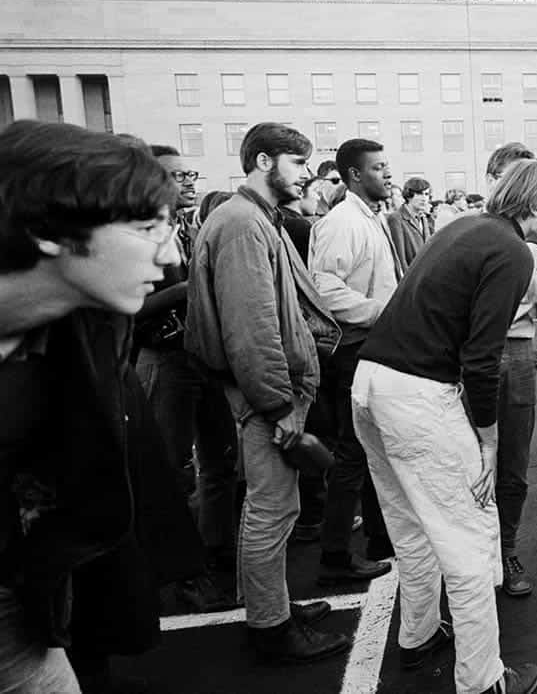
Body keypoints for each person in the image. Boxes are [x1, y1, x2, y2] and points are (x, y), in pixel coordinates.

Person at [354, 158, 537, 694]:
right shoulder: (514, 250)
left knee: (411, 529)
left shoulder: (465, 228)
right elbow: (481, 356)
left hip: (371, 384)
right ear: (536, 205)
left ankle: (419, 635)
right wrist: (488, 437)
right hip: (419, 397)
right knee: (471, 541)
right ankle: (483, 680)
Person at [0, 121, 180, 694]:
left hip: (22, 596)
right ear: (48, 229)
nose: (170, 251)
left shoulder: (98, 320)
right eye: (147, 228)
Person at [185, 122, 348, 664]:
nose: (307, 175)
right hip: (264, 398)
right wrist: (279, 405)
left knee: (278, 506)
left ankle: (273, 604)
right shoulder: (241, 224)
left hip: (268, 393)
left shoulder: (253, 218)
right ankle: (270, 629)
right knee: (271, 510)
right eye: (299, 163)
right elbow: (251, 327)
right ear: (262, 162)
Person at [133, 145, 238, 612]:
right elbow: (128, 308)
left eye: (192, 172)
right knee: (171, 472)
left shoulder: (189, 227)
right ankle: (176, 577)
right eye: (179, 175)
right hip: (165, 362)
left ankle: (216, 557)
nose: (191, 181)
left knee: (219, 465)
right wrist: (188, 285)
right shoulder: (138, 234)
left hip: (202, 359)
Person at [308, 138, 400, 585]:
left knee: (370, 447)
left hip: (371, 343)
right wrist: (381, 311)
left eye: (387, 166)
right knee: (351, 452)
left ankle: (380, 538)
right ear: (354, 175)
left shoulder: (370, 217)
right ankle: (336, 554)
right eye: (378, 168)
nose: (387, 174)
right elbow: (323, 287)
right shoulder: (342, 222)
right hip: (352, 348)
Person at [484, 143, 537, 598]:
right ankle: (477, 554)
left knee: (512, 463)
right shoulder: (476, 228)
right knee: (473, 460)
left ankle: (505, 548)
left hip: (515, 351)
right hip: (476, 352)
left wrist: (532, 294)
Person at [386, 176, 434, 270]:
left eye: (426, 194)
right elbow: (400, 259)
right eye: (419, 194)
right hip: (410, 277)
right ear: (409, 195)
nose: (424, 198)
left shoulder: (424, 218)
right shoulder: (396, 218)